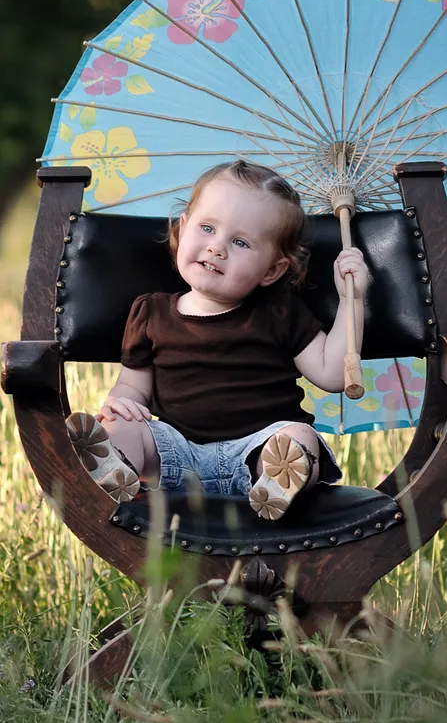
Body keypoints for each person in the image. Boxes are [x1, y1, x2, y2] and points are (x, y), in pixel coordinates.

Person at [65, 159, 370, 521]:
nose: (217, 248)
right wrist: (120, 404)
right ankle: (115, 465)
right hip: (176, 451)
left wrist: (352, 301)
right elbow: (133, 387)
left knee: (299, 437)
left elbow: (332, 374)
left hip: (259, 450)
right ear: (183, 229)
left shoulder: (280, 312)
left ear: (272, 270)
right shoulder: (150, 312)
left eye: (240, 242)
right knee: (123, 427)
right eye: (207, 228)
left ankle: (279, 483)